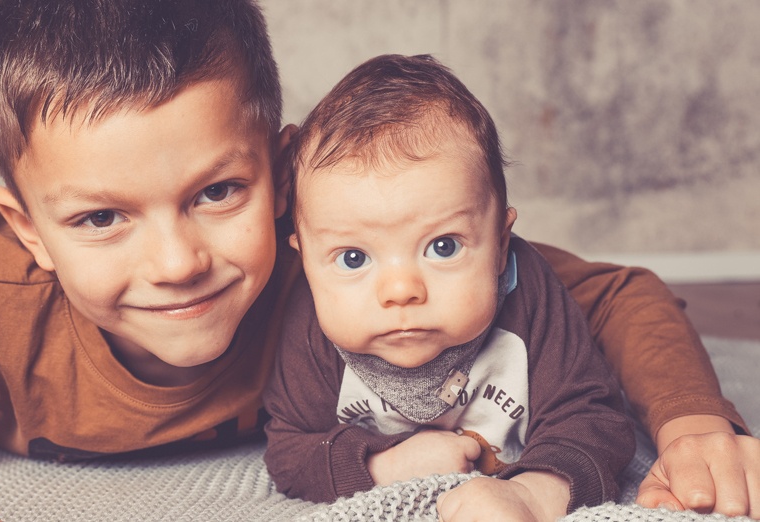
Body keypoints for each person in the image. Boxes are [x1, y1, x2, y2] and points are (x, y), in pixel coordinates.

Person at [0, 1, 755, 519]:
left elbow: (610, 297)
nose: (176, 262)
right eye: (99, 217)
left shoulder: (342, 253)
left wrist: (691, 423)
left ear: (282, 178)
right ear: (29, 227)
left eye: (216, 193)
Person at [263, 53, 638, 519]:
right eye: (353, 258)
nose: (400, 290)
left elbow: (595, 418)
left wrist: (533, 493)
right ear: (306, 259)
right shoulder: (310, 330)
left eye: (442, 247)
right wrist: (384, 465)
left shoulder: (531, 294)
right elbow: (291, 450)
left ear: (500, 245)